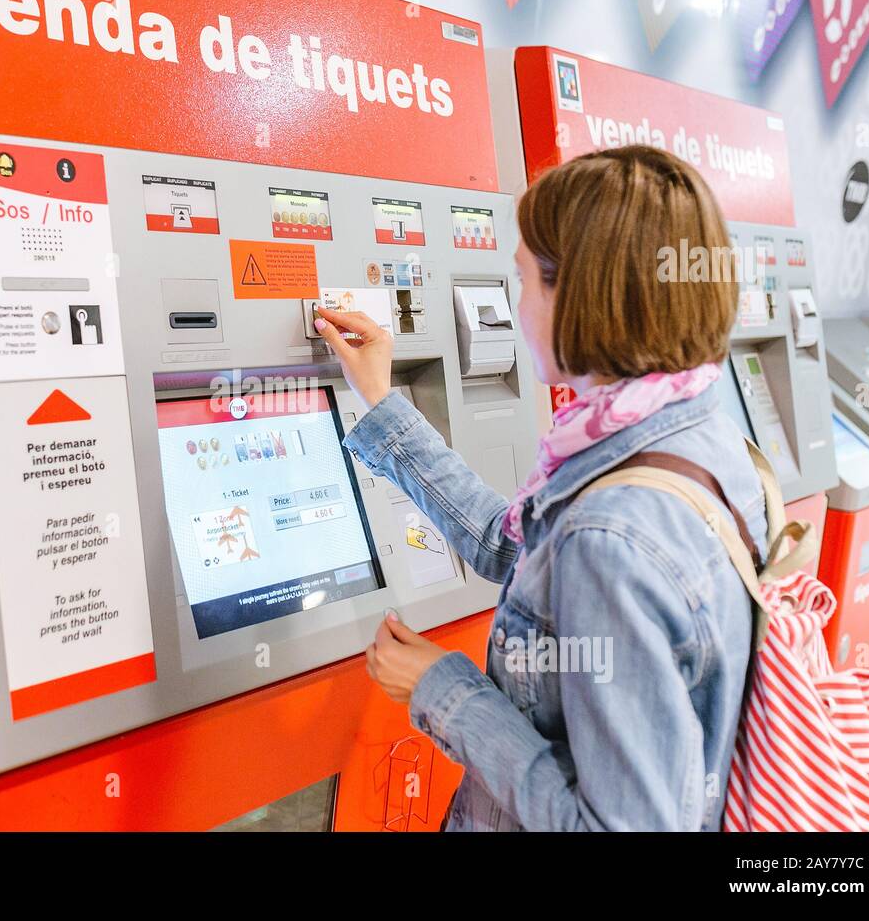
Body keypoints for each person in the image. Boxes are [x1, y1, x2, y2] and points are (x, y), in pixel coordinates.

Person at [312, 145, 763, 831]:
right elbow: (519, 546)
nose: (513, 311)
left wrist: (443, 688)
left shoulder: (613, 537)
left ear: (578, 296)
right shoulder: (694, 433)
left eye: (524, 281)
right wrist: (381, 403)